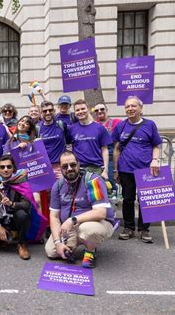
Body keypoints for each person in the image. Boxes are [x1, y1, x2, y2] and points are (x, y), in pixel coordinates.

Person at [45, 151, 115, 268]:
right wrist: (58, 243)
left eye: (73, 165)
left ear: (78, 164)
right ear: (60, 168)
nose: (69, 169)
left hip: (97, 223)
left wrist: (72, 220)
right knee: (52, 251)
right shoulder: (57, 186)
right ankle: (76, 241)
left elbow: (101, 213)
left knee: (87, 230)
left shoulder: (93, 181)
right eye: (65, 166)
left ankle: (90, 251)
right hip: (71, 227)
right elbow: (54, 216)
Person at [113, 96, 161, 243]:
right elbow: (116, 149)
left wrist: (155, 160)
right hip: (126, 170)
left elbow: (156, 146)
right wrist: (115, 170)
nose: (130, 109)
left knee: (145, 200)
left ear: (140, 108)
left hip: (146, 170)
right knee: (127, 200)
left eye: (133, 106)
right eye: (127, 106)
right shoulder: (120, 126)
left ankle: (144, 229)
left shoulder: (149, 125)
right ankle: (128, 228)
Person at [0, 155, 33, 260]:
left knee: (23, 215)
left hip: (15, 217)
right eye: (2, 167)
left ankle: (21, 244)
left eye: (9, 167)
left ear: (13, 168)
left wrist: (12, 204)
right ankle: (3, 237)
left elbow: (27, 204)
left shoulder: (21, 181)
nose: (6, 170)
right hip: (0, 217)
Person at [67, 99, 111, 179]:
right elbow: (68, 147)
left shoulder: (99, 128)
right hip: (79, 169)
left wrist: (105, 170)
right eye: (77, 110)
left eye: (83, 108)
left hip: (96, 169)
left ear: (88, 109)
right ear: (75, 113)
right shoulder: (71, 129)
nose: (80, 111)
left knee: (96, 192)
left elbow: (105, 150)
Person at [94, 103, 122, 197]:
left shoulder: (117, 122)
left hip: (111, 158)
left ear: (106, 110)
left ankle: (113, 203)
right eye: (96, 110)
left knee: (111, 182)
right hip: (98, 159)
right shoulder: (93, 125)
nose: (99, 111)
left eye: (102, 109)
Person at [38, 101, 67, 178]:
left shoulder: (61, 124)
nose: (48, 113)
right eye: (44, 111)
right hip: (45, 167)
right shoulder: (37, 128)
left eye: (50, 110)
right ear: (41, 113)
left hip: (61, 166)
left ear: (54, 111)